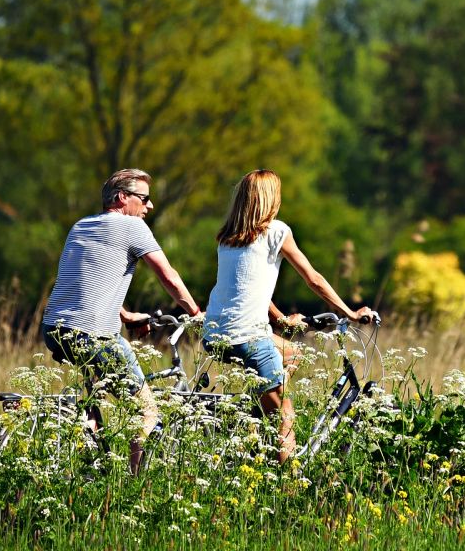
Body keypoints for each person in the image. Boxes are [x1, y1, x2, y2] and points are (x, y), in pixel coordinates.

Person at [204, 169, 374, 464]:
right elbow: (313, 279)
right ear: (271, 199)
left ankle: (257, 419)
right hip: (248, 335)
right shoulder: (277, 231)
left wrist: (280, 319)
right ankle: (287, 484)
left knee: (292, 353)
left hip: (214, 332)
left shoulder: (228, 238)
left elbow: (247, 288)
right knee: (286, 417)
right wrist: (351, 313)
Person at [41, 168, 203, 473]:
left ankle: (91, 467)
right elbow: (168, 276)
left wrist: (126, 315)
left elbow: (87, 282)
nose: (149, 206)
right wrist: (195, 313)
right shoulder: (132, 226)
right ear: (121, 198)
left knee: (94, 402)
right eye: (144, 198)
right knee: (147, 412)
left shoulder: (81, 225)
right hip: (92, 333)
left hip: (53, 328)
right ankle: (134, 484)